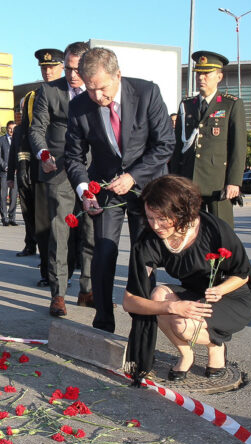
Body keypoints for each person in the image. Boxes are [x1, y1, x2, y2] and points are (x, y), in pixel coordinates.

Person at [64, 47, 174, 333]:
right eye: (90, 90)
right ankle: (103, 320)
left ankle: (144, 322)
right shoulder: (79, 107)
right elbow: (74, 157)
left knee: (143, 256)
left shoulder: (147, 93)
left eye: (103, 88)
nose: (98, 97)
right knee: (103, 253)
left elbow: (164, 144)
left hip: (145, 188)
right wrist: (84, 191)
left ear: (118, 75)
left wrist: (132, 177)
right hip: (105, 190)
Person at [122, 175, 251, 381]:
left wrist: (219, 290)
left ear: (180, 212)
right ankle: (186, 354)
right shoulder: (148, 241)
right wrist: (171, 307)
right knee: (157, 295)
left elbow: (242, 274)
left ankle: (216, 346)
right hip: (196, 293)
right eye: (150, 218)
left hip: (231, 295)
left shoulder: (214, 229)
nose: (155, 225)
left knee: (181, 325)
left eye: (162, 218)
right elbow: (130, 301)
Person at [29, 41, 95, 317]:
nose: (72, 75)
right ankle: (58, 294)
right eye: (68, 68)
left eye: (78, 69)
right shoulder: (49, 91)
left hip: (93, 171)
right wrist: (43, 154)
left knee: (92, 231)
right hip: (58, 170)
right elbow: (37, 128)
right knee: (60, 232)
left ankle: (87, 289)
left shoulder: (96, 90)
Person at [171, 51, 246, 228]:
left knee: (221, 233)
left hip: (217, 184)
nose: (201, 78)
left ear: (219, 76)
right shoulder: (187, 105)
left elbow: (238, 147)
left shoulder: (230, 104)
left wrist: (234, 182)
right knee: (189, 233)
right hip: (189, 182)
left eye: (206, 73)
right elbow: (177, 147)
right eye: (198, 73)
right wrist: (174, 180)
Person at [7, 48, 64, 262]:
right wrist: (21, 167)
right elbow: (26, 135)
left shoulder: (73, 92)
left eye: (52, 67)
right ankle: (40, 254)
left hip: (66, 163)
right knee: (36, 214)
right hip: (39, 163)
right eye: (44, 68)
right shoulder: (34, 96)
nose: (47, 72)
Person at [0, 120, 17, 226]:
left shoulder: (18, 140)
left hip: (15, 172)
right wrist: (5, 166)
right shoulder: (0, 140)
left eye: (14, 129)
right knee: (3, 195)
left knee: (14, 196)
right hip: (4, 172)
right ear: (6, 128)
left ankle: (12, 217)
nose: (12, 131)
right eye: (10, 128)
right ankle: (4, 218)